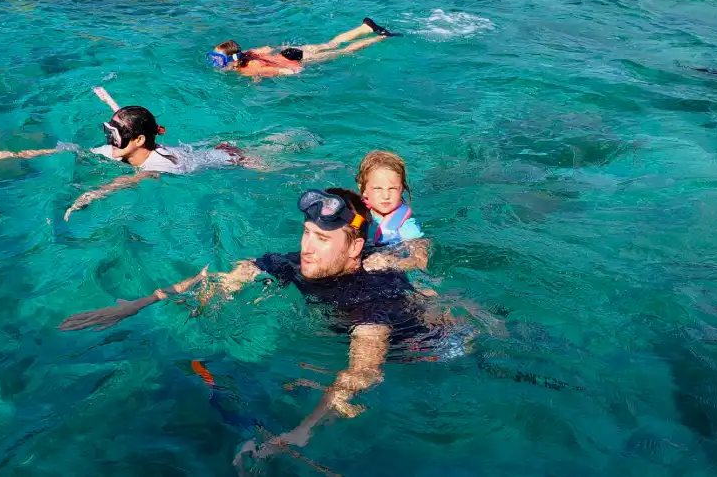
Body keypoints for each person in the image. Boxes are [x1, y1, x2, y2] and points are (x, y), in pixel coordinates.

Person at [58, 188, 502, 467]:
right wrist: (137, 305)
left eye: (322, 239)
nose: (307, 247)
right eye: (306, 232)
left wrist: (303, 431)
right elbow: (218, 278)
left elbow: (362, 372)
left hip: (438, 347)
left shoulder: (370, 296)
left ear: (355, 250)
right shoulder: (292, 263)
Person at [0, 106, 262, 220]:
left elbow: (127, 181)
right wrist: (5, 156)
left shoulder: (160, 166)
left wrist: (88, 196)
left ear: (139, 140)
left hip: (229, 159)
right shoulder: (116, 150)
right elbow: (70, 149)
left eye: (115, 135)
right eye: (108, 133)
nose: (109, 141)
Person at [207, 17, 401, 78]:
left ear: (232, 59)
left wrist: (293, 71)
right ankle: (366, 28)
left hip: (295, 60)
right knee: (330, 43)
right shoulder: (248, 53)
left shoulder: (248, 69)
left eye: (219, 59)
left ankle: (381, 37)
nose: (215, 63)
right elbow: (267, 49)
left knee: (345, 51)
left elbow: (284, 71)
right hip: (290, 51)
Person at [356, 151, 429, 272]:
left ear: (402, 190)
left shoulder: (407, 228)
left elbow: (420, 261)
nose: (386, 196)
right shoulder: (354, 215)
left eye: (393, 188)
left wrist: (391, 263)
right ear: (363, 190)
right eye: (378, 188)